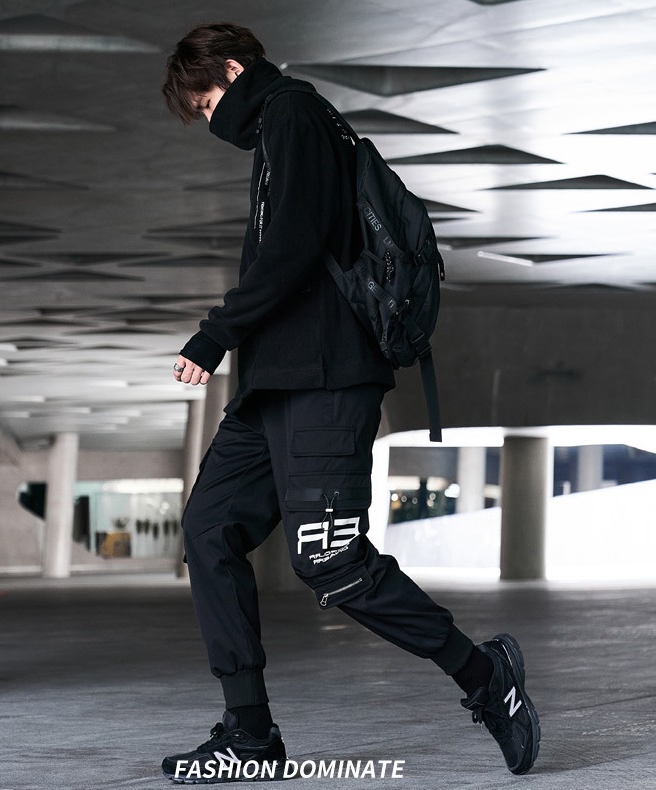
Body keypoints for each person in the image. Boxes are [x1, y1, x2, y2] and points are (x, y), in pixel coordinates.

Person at [161, 22, 540, 782]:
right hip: (274, 387)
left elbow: (293, 246)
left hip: (326, 379)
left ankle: (483, 675)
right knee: (208, 531)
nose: (210, 122)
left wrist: (215, 335)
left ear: (233, 71)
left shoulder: (295, 113)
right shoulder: (277, 131)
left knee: (330, 560)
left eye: (206, 104)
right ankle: (249, 735)